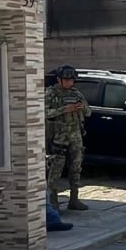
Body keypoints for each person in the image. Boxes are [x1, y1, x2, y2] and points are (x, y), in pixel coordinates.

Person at [45, 65, 91, 211]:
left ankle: (74, 199)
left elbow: (89, 112)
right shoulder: (51, 93)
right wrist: (64, 109)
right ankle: (53, 203)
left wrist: (81, 107)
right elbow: (45, 112)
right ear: (59, 79)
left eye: (72, 80)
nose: (70, 83)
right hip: (59, 137)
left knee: (76, 168)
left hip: (76, 135)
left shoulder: (76, 93)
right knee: (55, 170)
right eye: (67, 80)